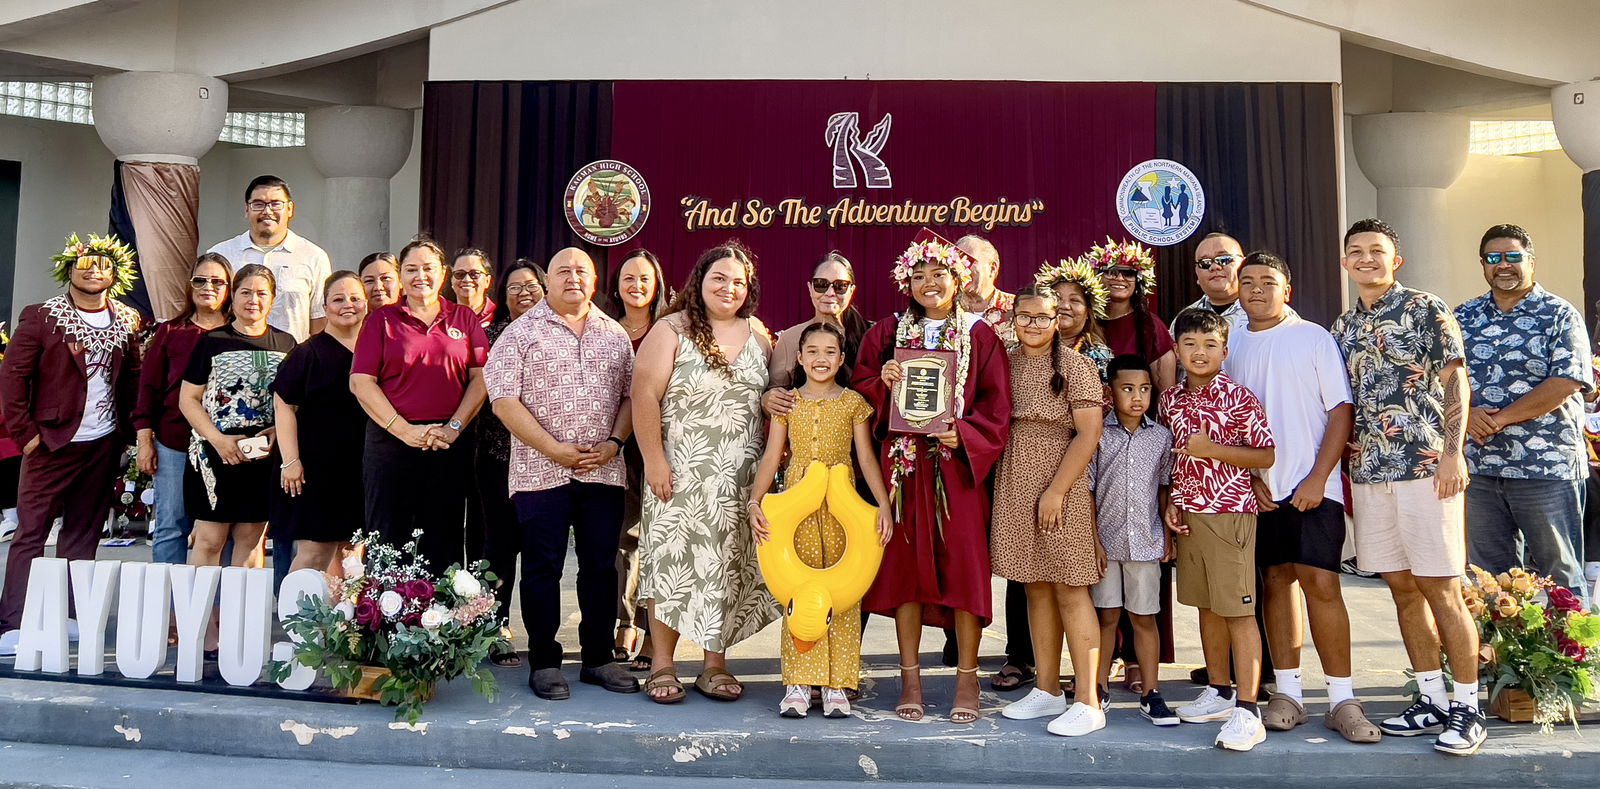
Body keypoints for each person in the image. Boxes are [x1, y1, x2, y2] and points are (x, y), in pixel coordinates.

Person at [1331, 218, 1485, 756]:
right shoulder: (1343, 325)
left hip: (1427, 470)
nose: (1366, 259)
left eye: (1378, 251)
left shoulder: (1426, 307)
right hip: (1372, 475)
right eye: (1357, 251)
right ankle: (1431, 699)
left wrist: (1452, 452)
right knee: (1401, 589)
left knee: (1442, 587)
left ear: (1396, 260)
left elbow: (1455, 379)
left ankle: (1467, 708)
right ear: (1345, 261)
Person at [851, 232, 1011, 724]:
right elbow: (861, 390)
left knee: (963, 571)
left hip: (955, 472)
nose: (929, 283)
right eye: (918, 275)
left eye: (939, 273)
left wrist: (962, 434)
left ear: (957, 277)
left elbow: (996, 405)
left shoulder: (979, 335)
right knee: (905, 573)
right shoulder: (886, 333)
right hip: (902, 470)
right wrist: (885, 382)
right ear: (906, 281)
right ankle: (910, 678)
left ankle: (967, 679)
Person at [1226, 252, 1377, 743]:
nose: (1254, 289)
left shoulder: (1313, 337)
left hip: (1316, 486)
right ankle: (1288, 693)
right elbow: (1228, 422)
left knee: (1322, 584)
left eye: (1266, 281)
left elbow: (1340, 412)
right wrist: (1249, 479)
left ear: (1286, 290)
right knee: (1275, 582)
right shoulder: (1230, 343)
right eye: (1246, 281)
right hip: (1260, 489)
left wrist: (1317, 477)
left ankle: (1342, 700)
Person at [485, 247, 640, 700]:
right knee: (541, 568)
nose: (573, 277)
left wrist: (614, 444)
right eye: (563, 271)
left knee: (598, 566)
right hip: (539, 472)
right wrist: (554, 449)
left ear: (594, 282)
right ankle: (545, 662)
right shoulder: (519, 333)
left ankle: (597, 659)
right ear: (547, 281)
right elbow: (503, 401)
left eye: (582, 271)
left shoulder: (614, 335)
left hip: (602, 472)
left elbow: (631, 398)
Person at [633, 243, 777, 704]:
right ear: (700, 280)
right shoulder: (671, 328)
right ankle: (663, 664)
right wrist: (655, 460)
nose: (728, 288)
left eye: (738, 281)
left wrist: (773, 400)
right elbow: (643, 397)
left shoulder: (758, 334)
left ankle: (714, 664)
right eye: (719, 278)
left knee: (728, 565)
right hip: (680, 472)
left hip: (740, 476)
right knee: (670, 566)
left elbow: (769, 394)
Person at [0, 234, 144, 656]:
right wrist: (26, 437)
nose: (94, 270)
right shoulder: (43, 316)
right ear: (70, 269)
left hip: (102, 441)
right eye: (86, 263)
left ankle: (70, 614)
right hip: (51, 442)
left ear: (115, 273)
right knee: (31, 533)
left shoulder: (127, 320)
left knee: (82, 534)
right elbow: (12, 379)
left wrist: (131, 436)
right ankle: (13, 622)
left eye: (103, 264)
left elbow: (132, 379)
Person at [748, 322, 893, 719]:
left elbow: (866, 458)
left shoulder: (853, 404)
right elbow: (773, 455)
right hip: (797, 502)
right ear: (799, 357)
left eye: (830, 352)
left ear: (841, 358)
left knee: (842, 594)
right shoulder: (787, 405)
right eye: (812, 351)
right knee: (800, 588)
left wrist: (882, 504)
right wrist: (755, 502)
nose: (820, 359)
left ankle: (836, 684)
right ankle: (797, 683)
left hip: (840, 504)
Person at [990, 287, 1107, 736]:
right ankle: (1046, 689)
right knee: (1035, 585)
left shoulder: (1076, 366)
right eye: (1026, 316)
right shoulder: (1006, 360)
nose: (1034, 324)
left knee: (1070, 587)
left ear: (1057, 319)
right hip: (1016, 477)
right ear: (1013, 318)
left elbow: (1088, 432)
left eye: (1043, 317)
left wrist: (1057, 490)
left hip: (1061, 478)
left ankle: (1088, 700)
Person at [1457, 224, 1593, 596]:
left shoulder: (1559, 315)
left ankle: (1572, 655)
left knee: (1561, 577)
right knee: (1488, 582)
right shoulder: (1463, 317)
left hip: (1545, 468)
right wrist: (1467, 416)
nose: (1504, 265)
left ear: (1531, 262)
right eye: (1494, 258)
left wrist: (1498, 418)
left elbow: (1565, 382)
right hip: (1481, 470)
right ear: (1483, 265)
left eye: (1513, 256)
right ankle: (1501, 656)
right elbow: (1444, 380)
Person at [1162, 307, 1275, 752]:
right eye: (1190, 344)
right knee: (1206, 606)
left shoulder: (1239, 397)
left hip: (1229, 513)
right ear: (1177, 350)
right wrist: (1172, 502)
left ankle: (1248, 710)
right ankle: (1219, 690)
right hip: (1189, 515)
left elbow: (1265, 455)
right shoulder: (1171, 400)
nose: (1200, 352)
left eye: (1210, 345)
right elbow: (1175, 460)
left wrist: (1214, 449)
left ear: (1225, 350)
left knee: (1238, 610)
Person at [351, 236, 488, 575]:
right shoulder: (381, 319)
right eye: (411, 269)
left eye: (428, 268)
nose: (420, 276)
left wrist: (454, 427)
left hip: (448, 441)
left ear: (442, 273)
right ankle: (381, 621)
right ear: (401, 276)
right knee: (387, 536)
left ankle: (442, 623)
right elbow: (361, 382)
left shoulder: (463, 318)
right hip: (391, 440)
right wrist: (404, 430)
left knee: (444, 534)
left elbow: (482, 378)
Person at [179, 264, 296, 580]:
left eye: (261, 293)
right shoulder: (211, 342)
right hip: (215, 457)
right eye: (245, 292)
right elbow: (188, 400)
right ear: (232, 296)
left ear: (272, 299)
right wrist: (218, 440)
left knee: (251, 542)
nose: (253, 300)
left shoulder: (287, 346)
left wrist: (277, 434)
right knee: (209, 540)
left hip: (264, 458)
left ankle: (239, 625)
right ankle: (203, 627)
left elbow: (293, 404)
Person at [955, 234, 1029, 690]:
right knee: (961, 546)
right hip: (956, 448)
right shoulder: (939, 316)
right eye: (956, 259)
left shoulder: (1018, 311)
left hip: (1015, 448)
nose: (963, 267)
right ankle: (955, 640)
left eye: (971, 259)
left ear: (994, 265)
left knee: (1019, 555)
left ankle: (1020, 654)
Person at [1089, 355, 1178, 727]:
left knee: (1144, 617)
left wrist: (1168, 535)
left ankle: (1151, 693)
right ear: (1110, 392)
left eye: (1144, 389)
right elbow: (1088, 492)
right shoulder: (1097, 435)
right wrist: (1092, 541)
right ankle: (1097, 687)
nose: (1137, 397)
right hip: (1106, 542)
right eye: (1127, 389)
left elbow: (1163, 489)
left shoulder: (1160, 436)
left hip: (1145, 540)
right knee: (1106, 617)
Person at [134, 253, 231, 565]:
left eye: (217, 281)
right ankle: (168, 606)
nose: (208, 287)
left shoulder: (239, 333)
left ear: (230, 288)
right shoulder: (172, 331)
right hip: (174, 442)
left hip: (225, 446)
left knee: (223, 526)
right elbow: (147, 390)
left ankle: (221, 605)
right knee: (171, 525)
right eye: (200, 280)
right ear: (189, 287)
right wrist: (145, 442)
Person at [476, 257, 547, 669]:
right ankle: (494, 628)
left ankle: (541, 634)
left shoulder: (559, 332)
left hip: (546, 462)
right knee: (498, 548)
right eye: (514, 287)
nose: (524, 293)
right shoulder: (490, 336)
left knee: (540, 549)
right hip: (497, 458)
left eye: (531, 285)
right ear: (502, 297)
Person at [272, 272, 368, 575]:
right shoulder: (307, 353)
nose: (347, 305)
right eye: (338, 299)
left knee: (351, 553)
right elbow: (283, 404)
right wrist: (291, 461)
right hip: (315, 470)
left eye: (355, 298)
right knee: (314, 552)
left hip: (361, 468)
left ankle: (343, 622)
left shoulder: (374, 350)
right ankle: (298, 621)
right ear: (324, 307)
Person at [604, 249, 664, 669]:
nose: (636, 286)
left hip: (663, 448)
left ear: (657, 284)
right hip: (615, 447)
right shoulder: (606, 329)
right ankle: (625, 622)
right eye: (628, 278)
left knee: (660, 542)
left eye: (644, 279)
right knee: (625, 540)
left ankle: (653, 636)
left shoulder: (671, 328)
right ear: (616, 285)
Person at [206, 175, 332, 342]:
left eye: (275, 204)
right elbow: (207, 312)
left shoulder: (313, 257)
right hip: (231, 358)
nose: (267, 211)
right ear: (246, 210)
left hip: (292, 360)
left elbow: (319, 320)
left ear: (290, 209)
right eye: (258, 204)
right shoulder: (222, 254)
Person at [1085, 238, 1176, 392]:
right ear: (1097, 276)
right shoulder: (1084, 320)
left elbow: (1166, 392)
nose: (1120, 278)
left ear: (1138, 281)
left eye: (1128, 273)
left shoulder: (1151, 326)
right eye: (1111, 271)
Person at [1037, 258, 1113, 380]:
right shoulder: (1025, 346)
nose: (1065, 306)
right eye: (1057, 298)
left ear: (1088, 311)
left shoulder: (1099, 355)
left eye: (1075, 300)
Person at [1171, 233, 1248, 335]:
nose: (1214, 267)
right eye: (1205, 262)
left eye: (1223, 259)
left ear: (1244, 264)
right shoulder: (1183, 320)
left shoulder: (1264, 311)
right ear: (1196, 273)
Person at [956, 234, 1017, 349]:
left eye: (969, 260)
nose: (961, 268)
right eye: (958, 261)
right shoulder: (946, 310)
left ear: (992, 268)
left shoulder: (1018, 308)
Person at [449, 247, 498, 328]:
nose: (466, 279)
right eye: (459, 274)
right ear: (452, 281)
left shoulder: (501, 317)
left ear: (487, 281)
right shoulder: (441, 318)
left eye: (474, 274)